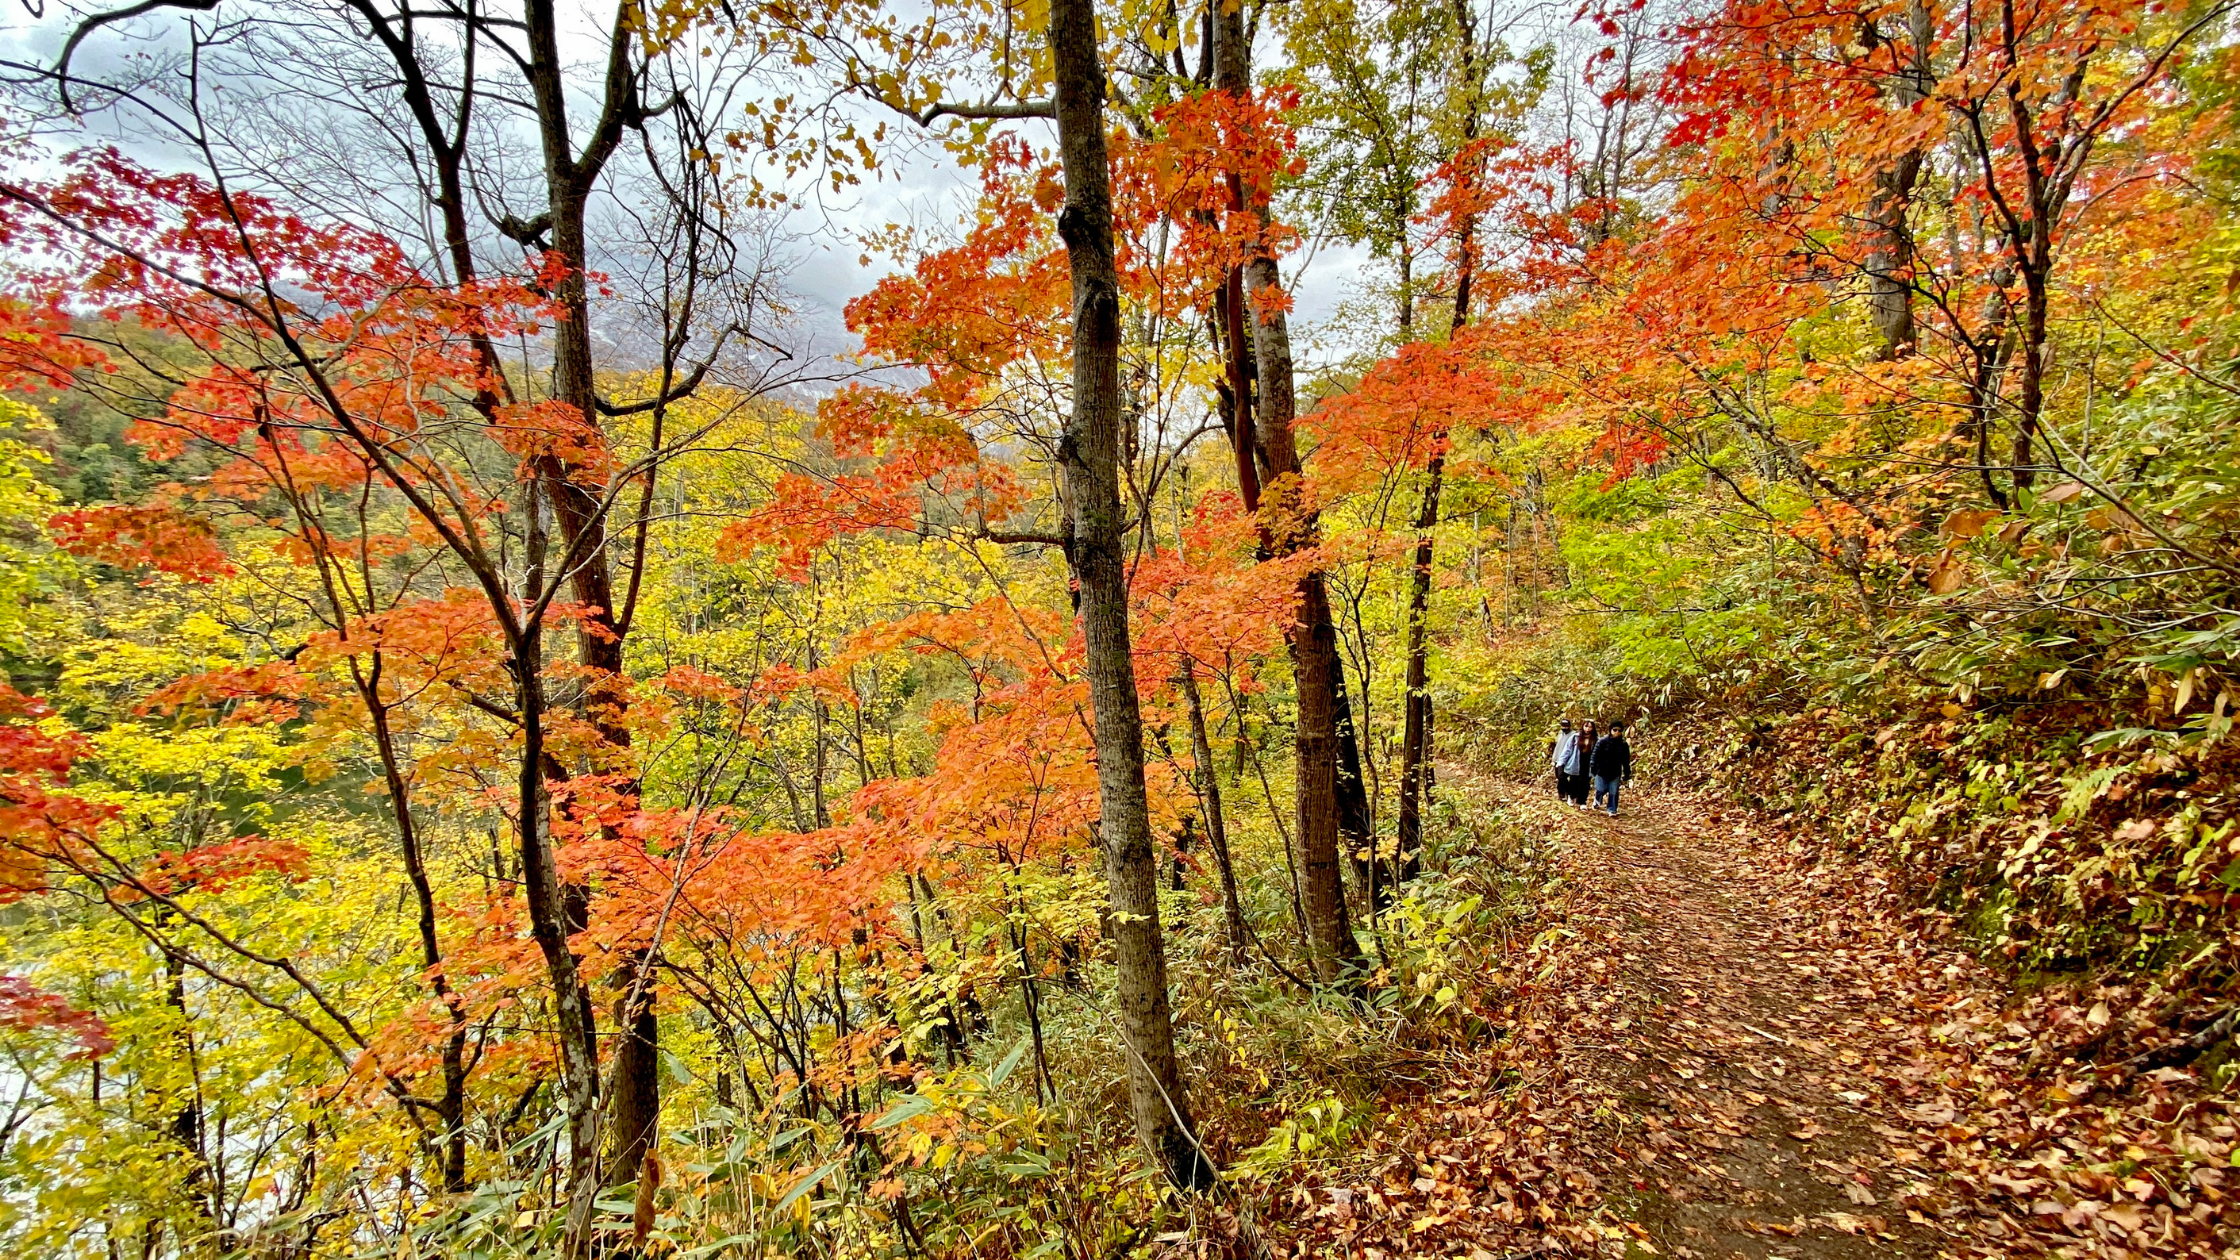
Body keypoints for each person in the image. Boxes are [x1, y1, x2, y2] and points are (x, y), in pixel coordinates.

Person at [1592, 720, 1633, 816]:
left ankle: (1612, 809)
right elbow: (1595, 755)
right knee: (1600, 789)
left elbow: (1625, 760)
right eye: (1615, 730)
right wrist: (1593, 766)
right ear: (1610, 730)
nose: (1617, 732)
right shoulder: (1602, 741)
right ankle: (1598, 799)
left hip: (1615, 772)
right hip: (1601, 770)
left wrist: (1627, 773)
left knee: (1613, 791)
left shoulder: (1623, 745)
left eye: (1619, 730)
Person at [1568, 720, 1598, 807]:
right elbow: (1567, 750)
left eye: (1590, 727)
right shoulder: (1575, 737)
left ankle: (1582, 801)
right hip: (1577, 761)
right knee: (1574, 780)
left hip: (1589, 762)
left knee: (1585, 782)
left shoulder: (1596, 739)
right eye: (1586, 726)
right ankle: (1572, 796)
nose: (1588, 729)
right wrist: (1561, 761)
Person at [1549, 718, 1579, 803]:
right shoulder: (1560, 734)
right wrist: (1554, 759)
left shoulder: (1574, 735)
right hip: (1558, 759)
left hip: (1568, 759)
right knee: (1559, 777)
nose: (1564, 728)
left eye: (1566, 726)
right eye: (1563, 726)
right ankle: (1564, 793)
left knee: (1564, 776)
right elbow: (1558, 747)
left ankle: (1566, 793)